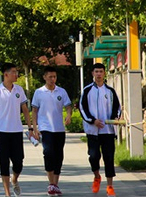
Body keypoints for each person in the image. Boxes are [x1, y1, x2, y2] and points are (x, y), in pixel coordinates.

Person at [0, 63, 33, 197]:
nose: (16, 74)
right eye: (13, 72)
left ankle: (15, 179)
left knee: (19, 162)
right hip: (1, 132)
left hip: (16, 131)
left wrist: (30, 128)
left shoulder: (19, 90)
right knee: (4, 163)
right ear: (6, 74)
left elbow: (25, 110)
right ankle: (7, 193)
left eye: (16, 72)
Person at [79, 63, 121, 197]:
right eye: (96, 71)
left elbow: (117, 107)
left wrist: (115, 118)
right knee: (93, 157)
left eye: (101, 71)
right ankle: (97, 176)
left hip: (108, 131)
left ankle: (110, 186)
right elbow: (82, 108)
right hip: (93, 131)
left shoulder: (110, 91)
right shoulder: (87, 90)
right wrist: (93, 120)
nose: (98, 74)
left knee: (109, 158)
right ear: (93, 73)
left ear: (104, 73)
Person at [31, 66, 73, 196]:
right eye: (50, 77)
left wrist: (69, 115)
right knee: (48, 152)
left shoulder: (61, 91)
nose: (52, 79)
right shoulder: (39, 92)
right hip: (45, 128)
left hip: (59, 128)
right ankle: (51, 183)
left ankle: (55, 184)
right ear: (44, 77)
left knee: (59, 155)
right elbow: (34, 111)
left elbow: (68, 106)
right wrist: (35, 128)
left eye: (54, 77)